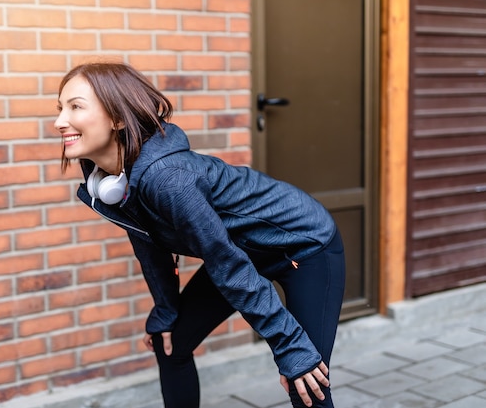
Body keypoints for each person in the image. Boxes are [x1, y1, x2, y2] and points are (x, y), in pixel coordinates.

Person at [54, 61, 346, 408]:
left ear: (118, 118)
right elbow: (149, 245)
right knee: (171, 344)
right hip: (239, 249)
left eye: (75, 106)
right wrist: (166, 309)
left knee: (304, 377)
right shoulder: (107, 181)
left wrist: (289, 345)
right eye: (59, 108)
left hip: (304, 244)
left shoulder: (166, 179)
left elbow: (225, 262)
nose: (59, 121)